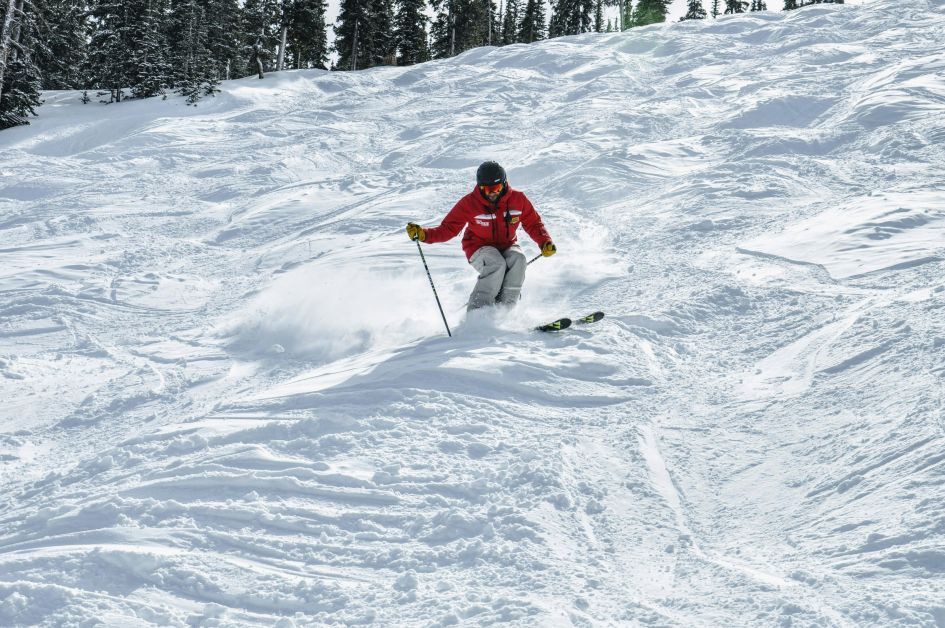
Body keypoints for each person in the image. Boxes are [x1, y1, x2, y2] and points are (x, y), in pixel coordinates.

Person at [406, 161, 556, 311]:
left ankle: (506, 310)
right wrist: (423, 235)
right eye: (486, 189)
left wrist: (545, 242)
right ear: (479, 187)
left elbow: (534, 224)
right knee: (496, 264)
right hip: (478, 247)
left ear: (504, 184)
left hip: (507, 245)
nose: (492, 193)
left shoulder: (518, 200)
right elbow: (448, 229)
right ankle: (477, 312)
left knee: (519, 259)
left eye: (496, 188)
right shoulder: (469, 203)